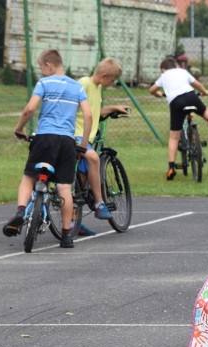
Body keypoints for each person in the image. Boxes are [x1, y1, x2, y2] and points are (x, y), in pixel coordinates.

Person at [4, 49, 91, 249]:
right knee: (64, 187)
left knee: (29, 177)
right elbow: (87, 116)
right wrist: (83, 144)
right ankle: (67, 235)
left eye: (41, 67)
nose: (42, 71)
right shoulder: (77, 87)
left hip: (44, 138)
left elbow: (30, 109)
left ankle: (20, 211)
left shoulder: (44, 83)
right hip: (67, 142)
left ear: (49, 65)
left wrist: (19, 129)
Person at [74, 57, 130, 232]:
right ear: (104, 75)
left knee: (82, 179)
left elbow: (94, 112)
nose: (111, 84)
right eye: (112, 80)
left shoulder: (97, 88)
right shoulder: (84, 84)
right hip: (77, 135)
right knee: (92, 161)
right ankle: (99, 203)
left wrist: (113, 108)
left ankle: (75, 220)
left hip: (87, 137)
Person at [149, 57, 208, 181]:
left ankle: (171, 168)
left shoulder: (164, 76)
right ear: (175, 66)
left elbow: (152, 89)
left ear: (163, 69)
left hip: (176, 102)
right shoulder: (182, 71)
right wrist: (205, 91)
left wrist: (158, 94)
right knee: (204, 110)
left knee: (174, 137)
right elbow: (197, 84)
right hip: (191, 96)